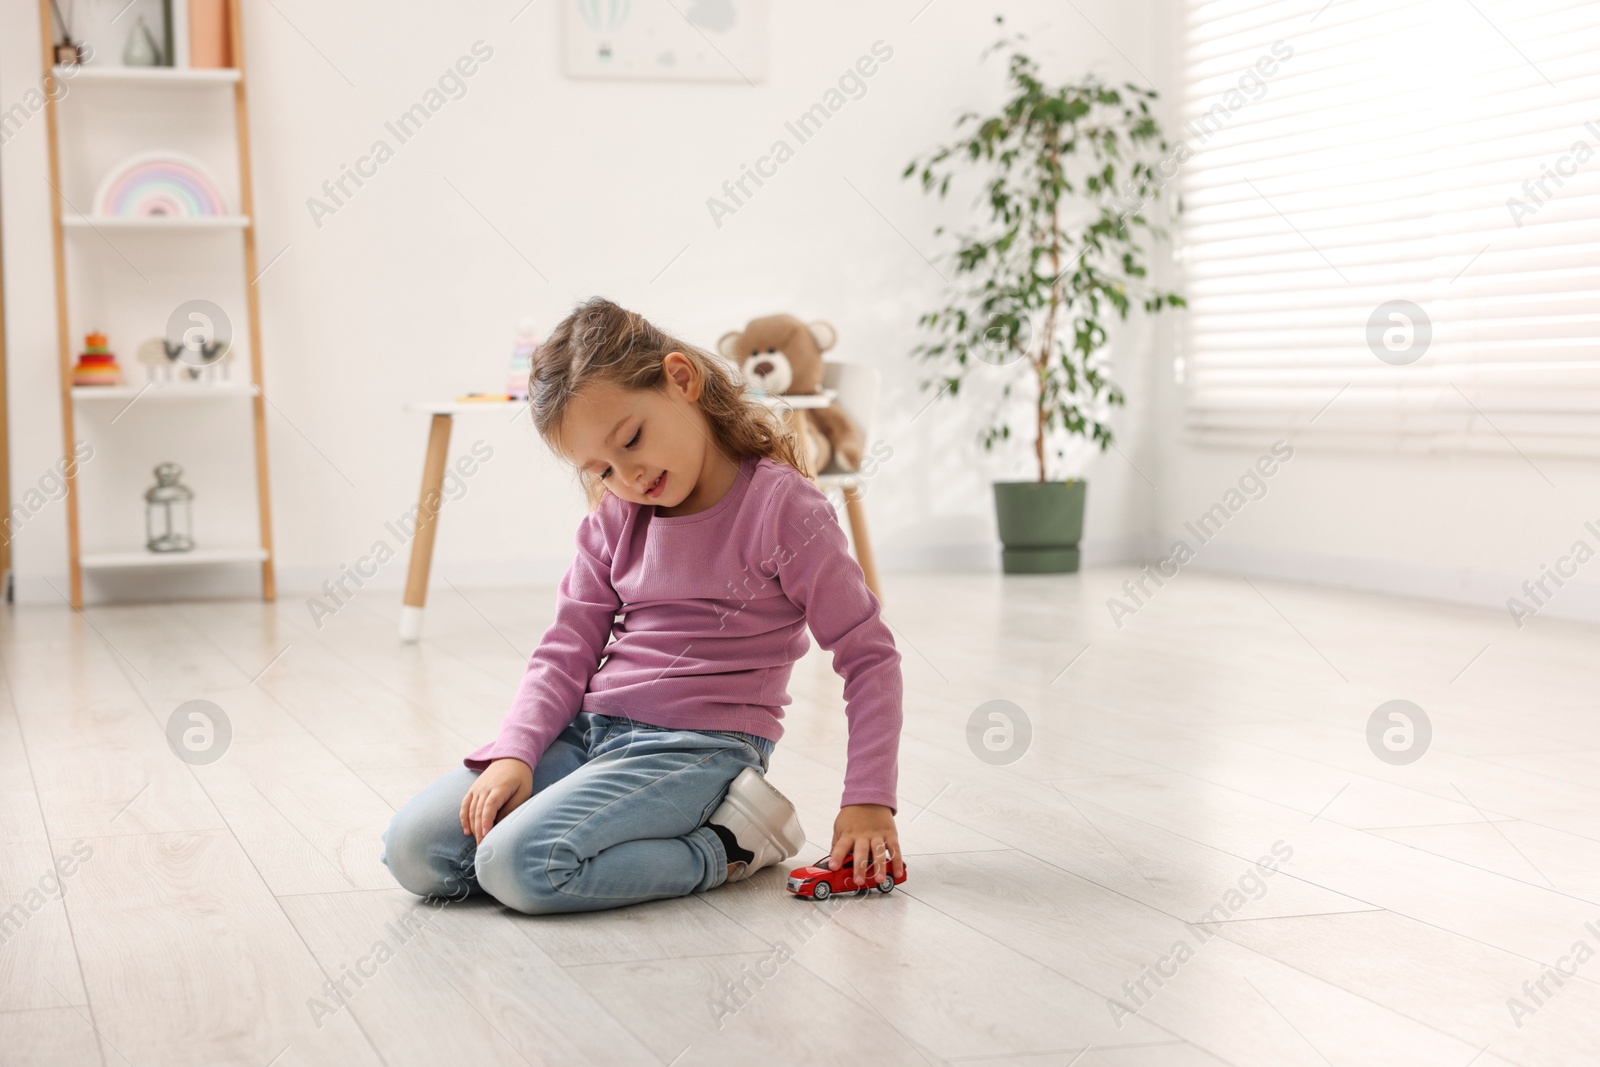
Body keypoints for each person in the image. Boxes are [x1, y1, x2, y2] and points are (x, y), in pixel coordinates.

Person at [380, 296, 905, 915]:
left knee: (522, 866)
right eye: (602, 468)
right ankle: (592, 829)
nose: (628, 476)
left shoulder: (783, 510)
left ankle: (730, 845)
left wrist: (868, 798)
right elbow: (565, 649)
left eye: (631, 439)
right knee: (414, 852)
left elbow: (868, 655)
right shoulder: (616, 518)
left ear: (681, 380)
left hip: (698, 746)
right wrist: (516, 752)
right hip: (592, 732)